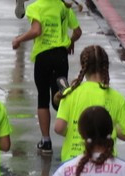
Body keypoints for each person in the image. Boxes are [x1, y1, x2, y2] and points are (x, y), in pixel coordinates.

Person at [11, 0, 81, 154]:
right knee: (60, 100)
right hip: (61, 56)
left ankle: (46, 141)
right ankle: (73, 128)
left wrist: (19, 39)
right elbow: (77, 32)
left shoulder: (35, 7)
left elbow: (36, 31)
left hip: (43, 57)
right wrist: (69, 42)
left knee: (43, 97)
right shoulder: (64, 6)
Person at [54, 45, 125, 163]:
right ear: (105, 67)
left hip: (72, 161)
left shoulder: (70, 93)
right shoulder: (118, 98)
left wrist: (74, 131)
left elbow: (59, 128)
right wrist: (113, 128)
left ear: (83, 67)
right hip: (105, 162)